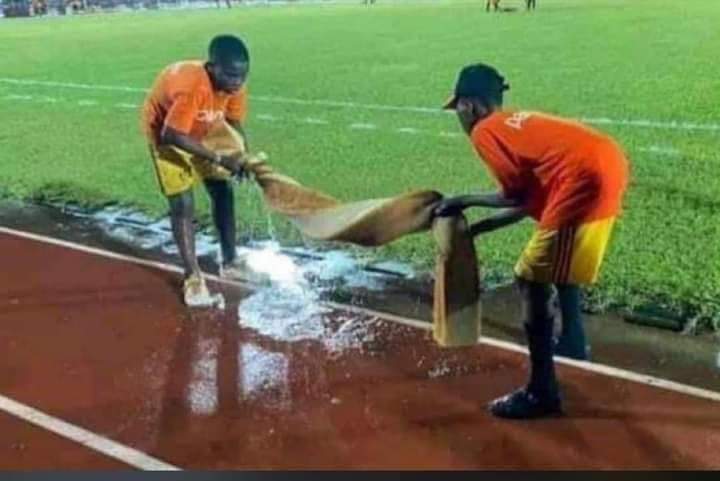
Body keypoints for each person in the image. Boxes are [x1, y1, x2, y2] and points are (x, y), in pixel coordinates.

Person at [435, 63, 629, 419]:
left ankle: (542, 391)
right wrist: (480, 230)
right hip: (607, 162)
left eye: (458, 109)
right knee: (556, 258)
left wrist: (461, 201)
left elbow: (512, 196)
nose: (459, 118)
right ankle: (572, 341)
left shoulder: (485, 131)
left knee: (529, 278)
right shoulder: (515, 124)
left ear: (470, 106)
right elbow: (528, 200)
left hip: (584, 176)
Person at [141, 35, 251, 306]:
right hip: (167, 135)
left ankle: (230, 262)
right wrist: (218, 158)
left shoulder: (236, 87)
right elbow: (172, 134)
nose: (237, 83)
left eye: (242, 76)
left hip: (202, 129)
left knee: (223, 191)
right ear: (212, 68)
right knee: (183, 203)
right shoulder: (193, 87)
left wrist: (243, 156)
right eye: (231, 76)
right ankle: (192, 277)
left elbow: (234, 123)